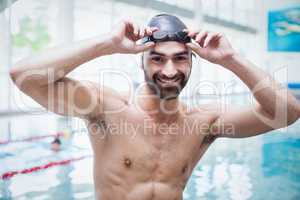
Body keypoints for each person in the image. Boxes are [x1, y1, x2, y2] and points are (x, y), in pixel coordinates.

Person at [10, 14, 300, 200]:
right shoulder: (106, 108)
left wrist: (231, 58)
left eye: (180, 58)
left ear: (193, 62)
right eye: (158, 58)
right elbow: (24, 76)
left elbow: (287, 113)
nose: (170, 69)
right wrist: (108, 43)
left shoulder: (204, 123)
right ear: (141, 60)